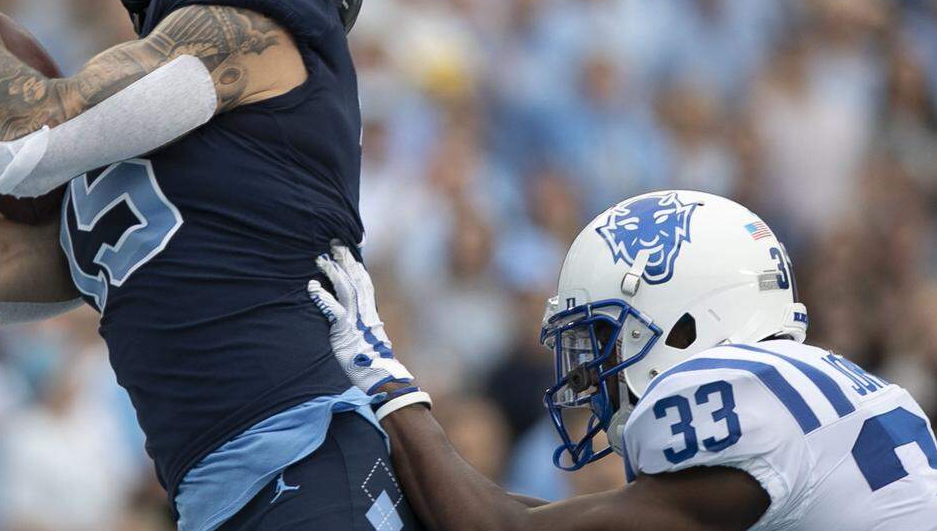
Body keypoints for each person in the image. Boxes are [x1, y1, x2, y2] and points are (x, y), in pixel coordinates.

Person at [0, 0, 421, 529]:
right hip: (214, 497)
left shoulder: (260, 23)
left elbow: (18, 135)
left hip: (310, 455)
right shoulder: (134, 146)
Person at [310, 191, 937, 531]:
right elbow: (561, 520)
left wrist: (385, 380)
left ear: (688, 323)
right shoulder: (855, 388)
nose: (588, 374)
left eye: (603, 338)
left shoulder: (723, 390)